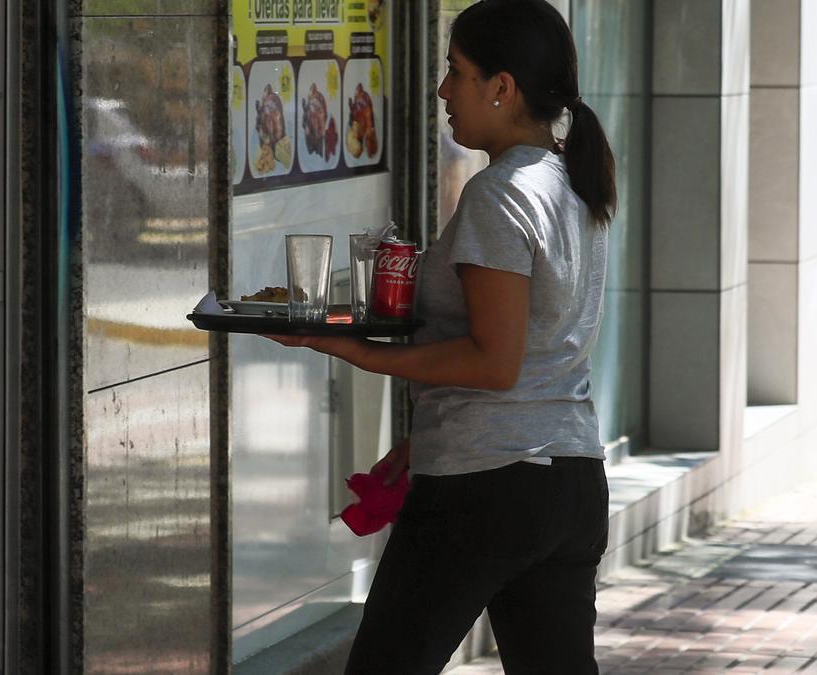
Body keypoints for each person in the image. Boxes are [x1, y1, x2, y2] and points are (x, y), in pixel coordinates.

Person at [264, 1, 617, 672]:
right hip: (569, 480)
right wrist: (423, 428)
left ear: (502, 87)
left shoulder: (501, 192)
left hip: (484, 486)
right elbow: (531, 350)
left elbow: (496, 361)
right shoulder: (572, 183)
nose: (442, 91)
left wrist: (359, 351)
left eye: (456, 71)